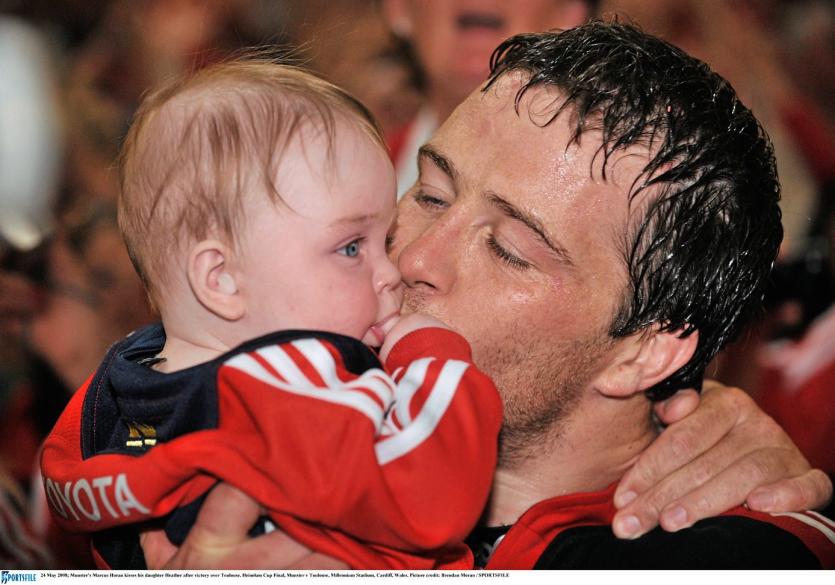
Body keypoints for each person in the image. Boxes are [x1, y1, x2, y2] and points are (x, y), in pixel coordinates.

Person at [145, 22, 835, 569]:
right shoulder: (238, 394)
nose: (413, 257)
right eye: (428, 193)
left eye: (508, 249)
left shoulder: (730, 559)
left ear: (645, 352)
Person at [40, 59, 506, 569]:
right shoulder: (288, 387)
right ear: (221, 279)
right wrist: (429, 355)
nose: (391, 271)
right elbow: (431, 496)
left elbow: (59, 477)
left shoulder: (114, 391)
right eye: (352, 247)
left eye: (387, 238)